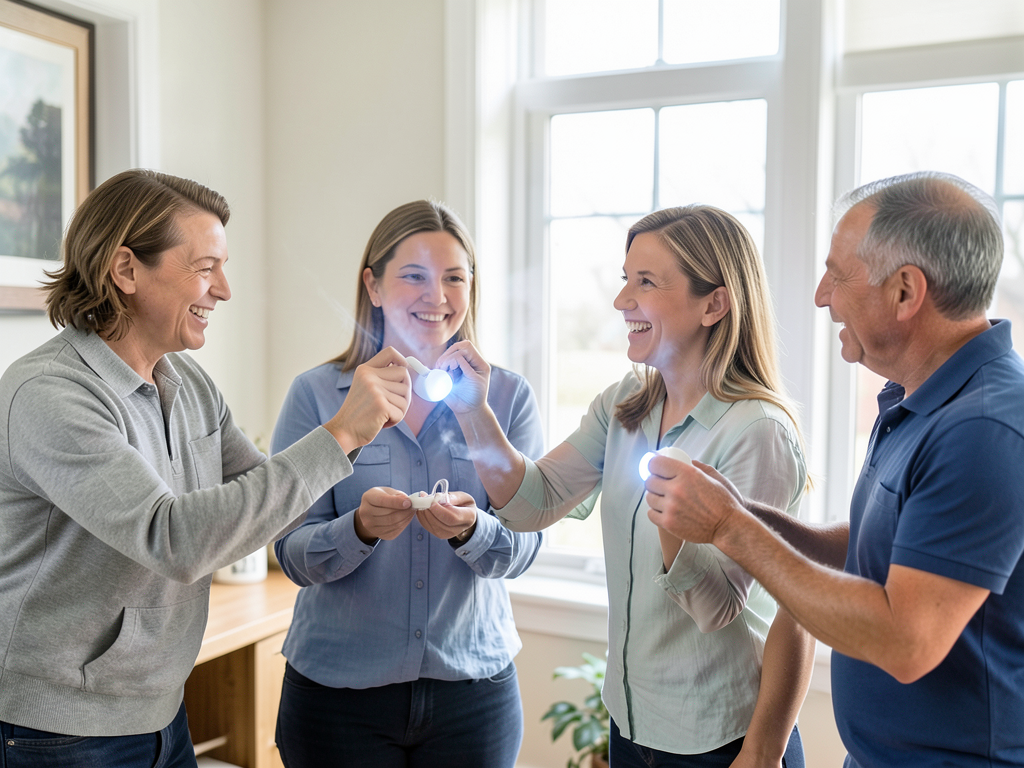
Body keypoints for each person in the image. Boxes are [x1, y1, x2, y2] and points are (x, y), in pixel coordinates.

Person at [0, 169, 411, 768]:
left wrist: (362, 495)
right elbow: (175, 539)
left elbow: (263, 500)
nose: (224, 289)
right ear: (126, 270)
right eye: (204, 267)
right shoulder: (49, 395)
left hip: (162, 711)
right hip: (58, 731)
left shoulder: (186, 381)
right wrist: (339, 431)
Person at [644, 172, 1024, 767]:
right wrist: (746, 513)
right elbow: (877, 551)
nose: (822, 295)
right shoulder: (915, 401)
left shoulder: (983, 431)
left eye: (838, 275)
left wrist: (728, 529)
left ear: (905, 291)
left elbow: (906, 642)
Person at [439, 205, 814, 768]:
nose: (621, 301)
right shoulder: (625, 406)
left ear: (714, 303)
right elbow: (532, 501)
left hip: (722, 740)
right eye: (625, 280)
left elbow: (719, 609)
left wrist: (676, 524)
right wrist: (474, 414)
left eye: (646, 282)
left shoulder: (757, 431)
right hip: (631, 723)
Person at [271, 200, 543, 768]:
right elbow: (291, 554)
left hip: (475, 700)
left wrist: (474, 531)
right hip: (336, 702)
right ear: (372, 285)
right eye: (414, 276)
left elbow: (524, 549)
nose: (437, 296)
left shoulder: (509, 398)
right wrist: (359, 530)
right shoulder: (318, 396)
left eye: (453, 278)